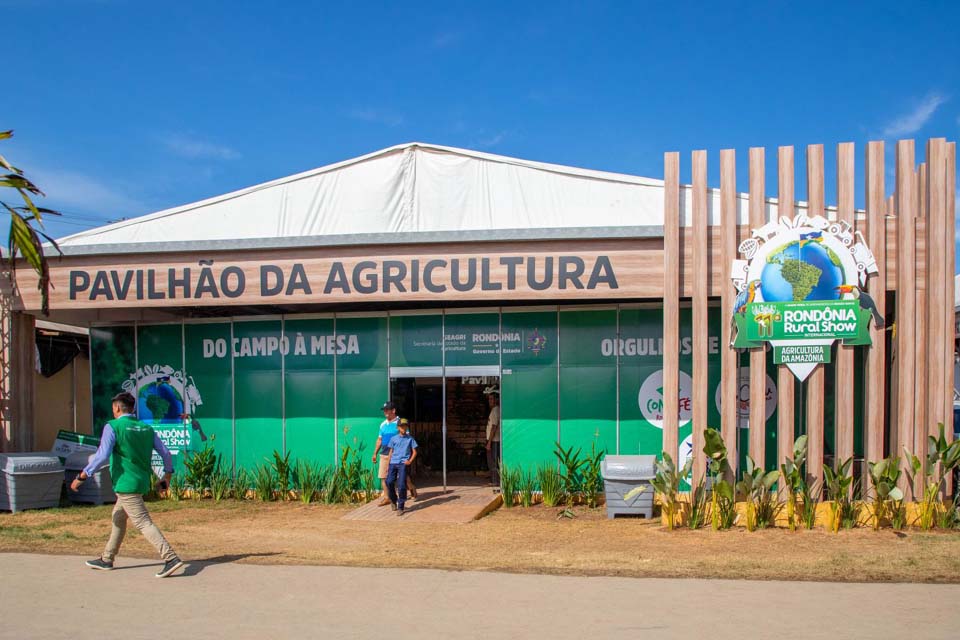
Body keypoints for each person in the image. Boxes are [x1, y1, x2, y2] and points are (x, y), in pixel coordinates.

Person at [70, 391, 184, 578]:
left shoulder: (113, 426)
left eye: (113, 408)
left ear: (116, 408)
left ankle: (170, 557)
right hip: (140, 481)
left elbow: (102, 455)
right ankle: (107, 559)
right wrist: (167, 476)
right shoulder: (145, 428)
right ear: (133, 408)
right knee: (118, 517)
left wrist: (83, 475)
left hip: (125, 483)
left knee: (143, 522)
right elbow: (165, 453)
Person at [384, 419, 418, 515]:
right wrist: (388, 465)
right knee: (389, 482)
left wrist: (410, 461)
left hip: (403, 464)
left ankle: (401, 507)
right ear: (398, 428)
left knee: (402, 485)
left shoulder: (410, 439)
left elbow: (415, 452)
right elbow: (390, 452)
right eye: (402, 426)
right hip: (393, 463)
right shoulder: (393, 439)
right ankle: (393, 501)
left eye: (405, 426)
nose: (404, 428)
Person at [372, 401, 400, 506]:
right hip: (384, 454)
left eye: (387, 410)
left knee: (402, 478)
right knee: (383, 477)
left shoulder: (400, 423)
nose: (385, 412)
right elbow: (379, 440)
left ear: (393, 410)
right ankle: (387, 497)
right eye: (384, 410)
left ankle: (410, 488)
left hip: (397, 455)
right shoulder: (383, 425)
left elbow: (406, 439)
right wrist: (375, 453)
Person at [484, 385, 501, 486]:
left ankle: (495, 482)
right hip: (494, 441)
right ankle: (495, 480)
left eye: (491, 399)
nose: (489, 401)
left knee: (493, 462)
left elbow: (494, 427)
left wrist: (489, 442)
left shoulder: (495, 410)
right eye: (489, 399)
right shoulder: (495, 410)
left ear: (495, 400)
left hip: (494, 441)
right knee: (493, 462)